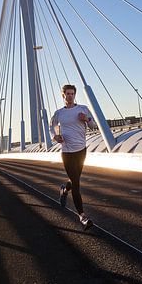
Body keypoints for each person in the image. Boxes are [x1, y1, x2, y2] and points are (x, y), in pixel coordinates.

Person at [50, 83, 98, 230]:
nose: (70, 96)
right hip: (67, 152)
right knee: (76, 183)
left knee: (74, 180)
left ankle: (64, 190)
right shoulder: (59, 113)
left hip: (81, 151)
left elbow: (94, 126)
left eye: (72, 94)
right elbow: (51, 127)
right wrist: (56, 137)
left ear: (74, 95)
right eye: (67, 94)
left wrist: (87, 119)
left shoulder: (82, 109)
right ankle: (82, 216)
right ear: (63, 96)